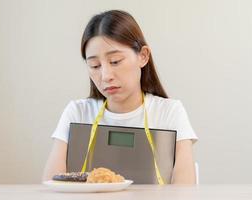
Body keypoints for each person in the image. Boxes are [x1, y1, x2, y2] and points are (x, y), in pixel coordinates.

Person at [42, 10, 198, 184]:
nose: (105, 75)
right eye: (94, 65)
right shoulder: (77, 113)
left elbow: (184, 191)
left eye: (115, 61)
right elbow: (52, 186)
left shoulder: (169, 112)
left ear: (143, 56)